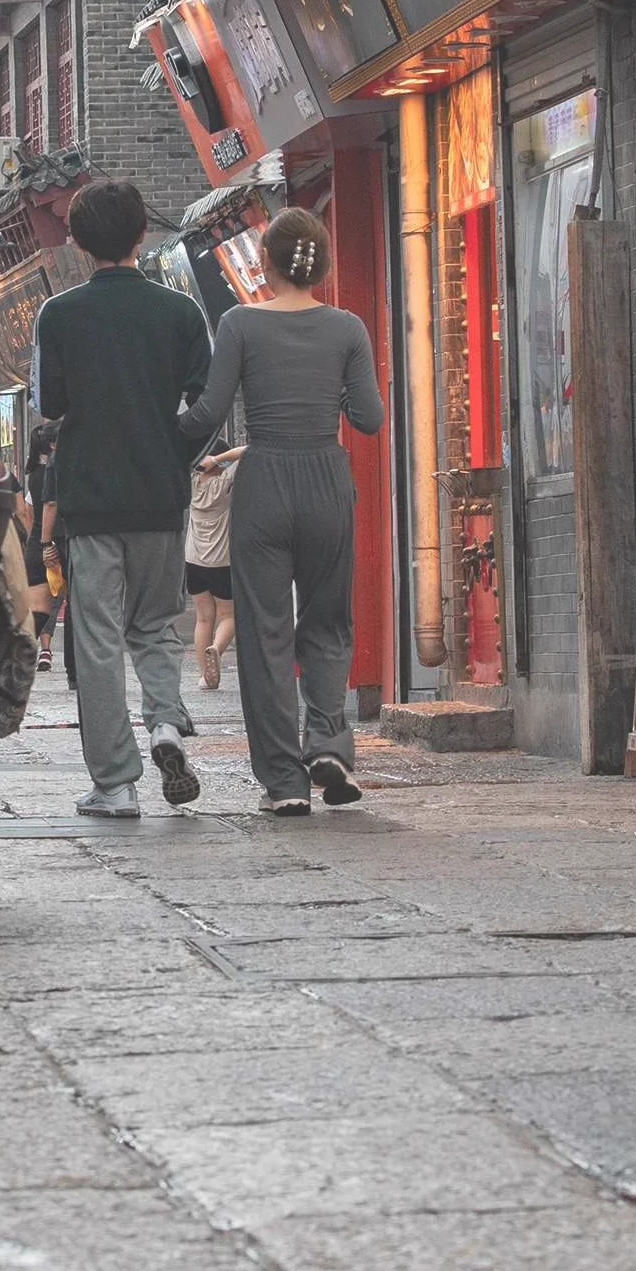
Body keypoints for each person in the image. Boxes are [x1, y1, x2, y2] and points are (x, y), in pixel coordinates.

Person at [176, 208, 383, 816]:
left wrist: (161, 437)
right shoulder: (347, 328)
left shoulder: (240, 324)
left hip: (262, 481)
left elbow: (208, 413)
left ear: (262, 263)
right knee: (328, 622)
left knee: (266, 635)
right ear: (321, 264)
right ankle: (328, 745)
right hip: (325, 478)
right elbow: (368, 419)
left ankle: (284, 783)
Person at [33, 179, 213, 819]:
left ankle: (115, 782)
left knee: (100, 638)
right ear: (143, 235)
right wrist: (178, 456)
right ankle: (166, 723)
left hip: (89, 499)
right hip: (159, 498)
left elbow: (49, 403)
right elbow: (206, 402)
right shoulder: (182, 313)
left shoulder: (59, 315)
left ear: (78, 243)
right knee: (157, 626)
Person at [185, 444, 243, 690]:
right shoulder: (225, 482)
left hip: (193, 560)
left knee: (203, 618)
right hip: (221, 560)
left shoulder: (193, 482)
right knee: (229, 616)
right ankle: (216, 649)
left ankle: (206, 677)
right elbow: (248, 450)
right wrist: (220, 459)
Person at [22, 424, 61, 673]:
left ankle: (21, 654)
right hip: (58, 543)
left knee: (39, 608)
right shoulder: (59, 472)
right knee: (66, 605)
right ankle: (74, 669)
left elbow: (26, 511)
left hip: (35, 545)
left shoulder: (33, 476)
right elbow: (51, 505)